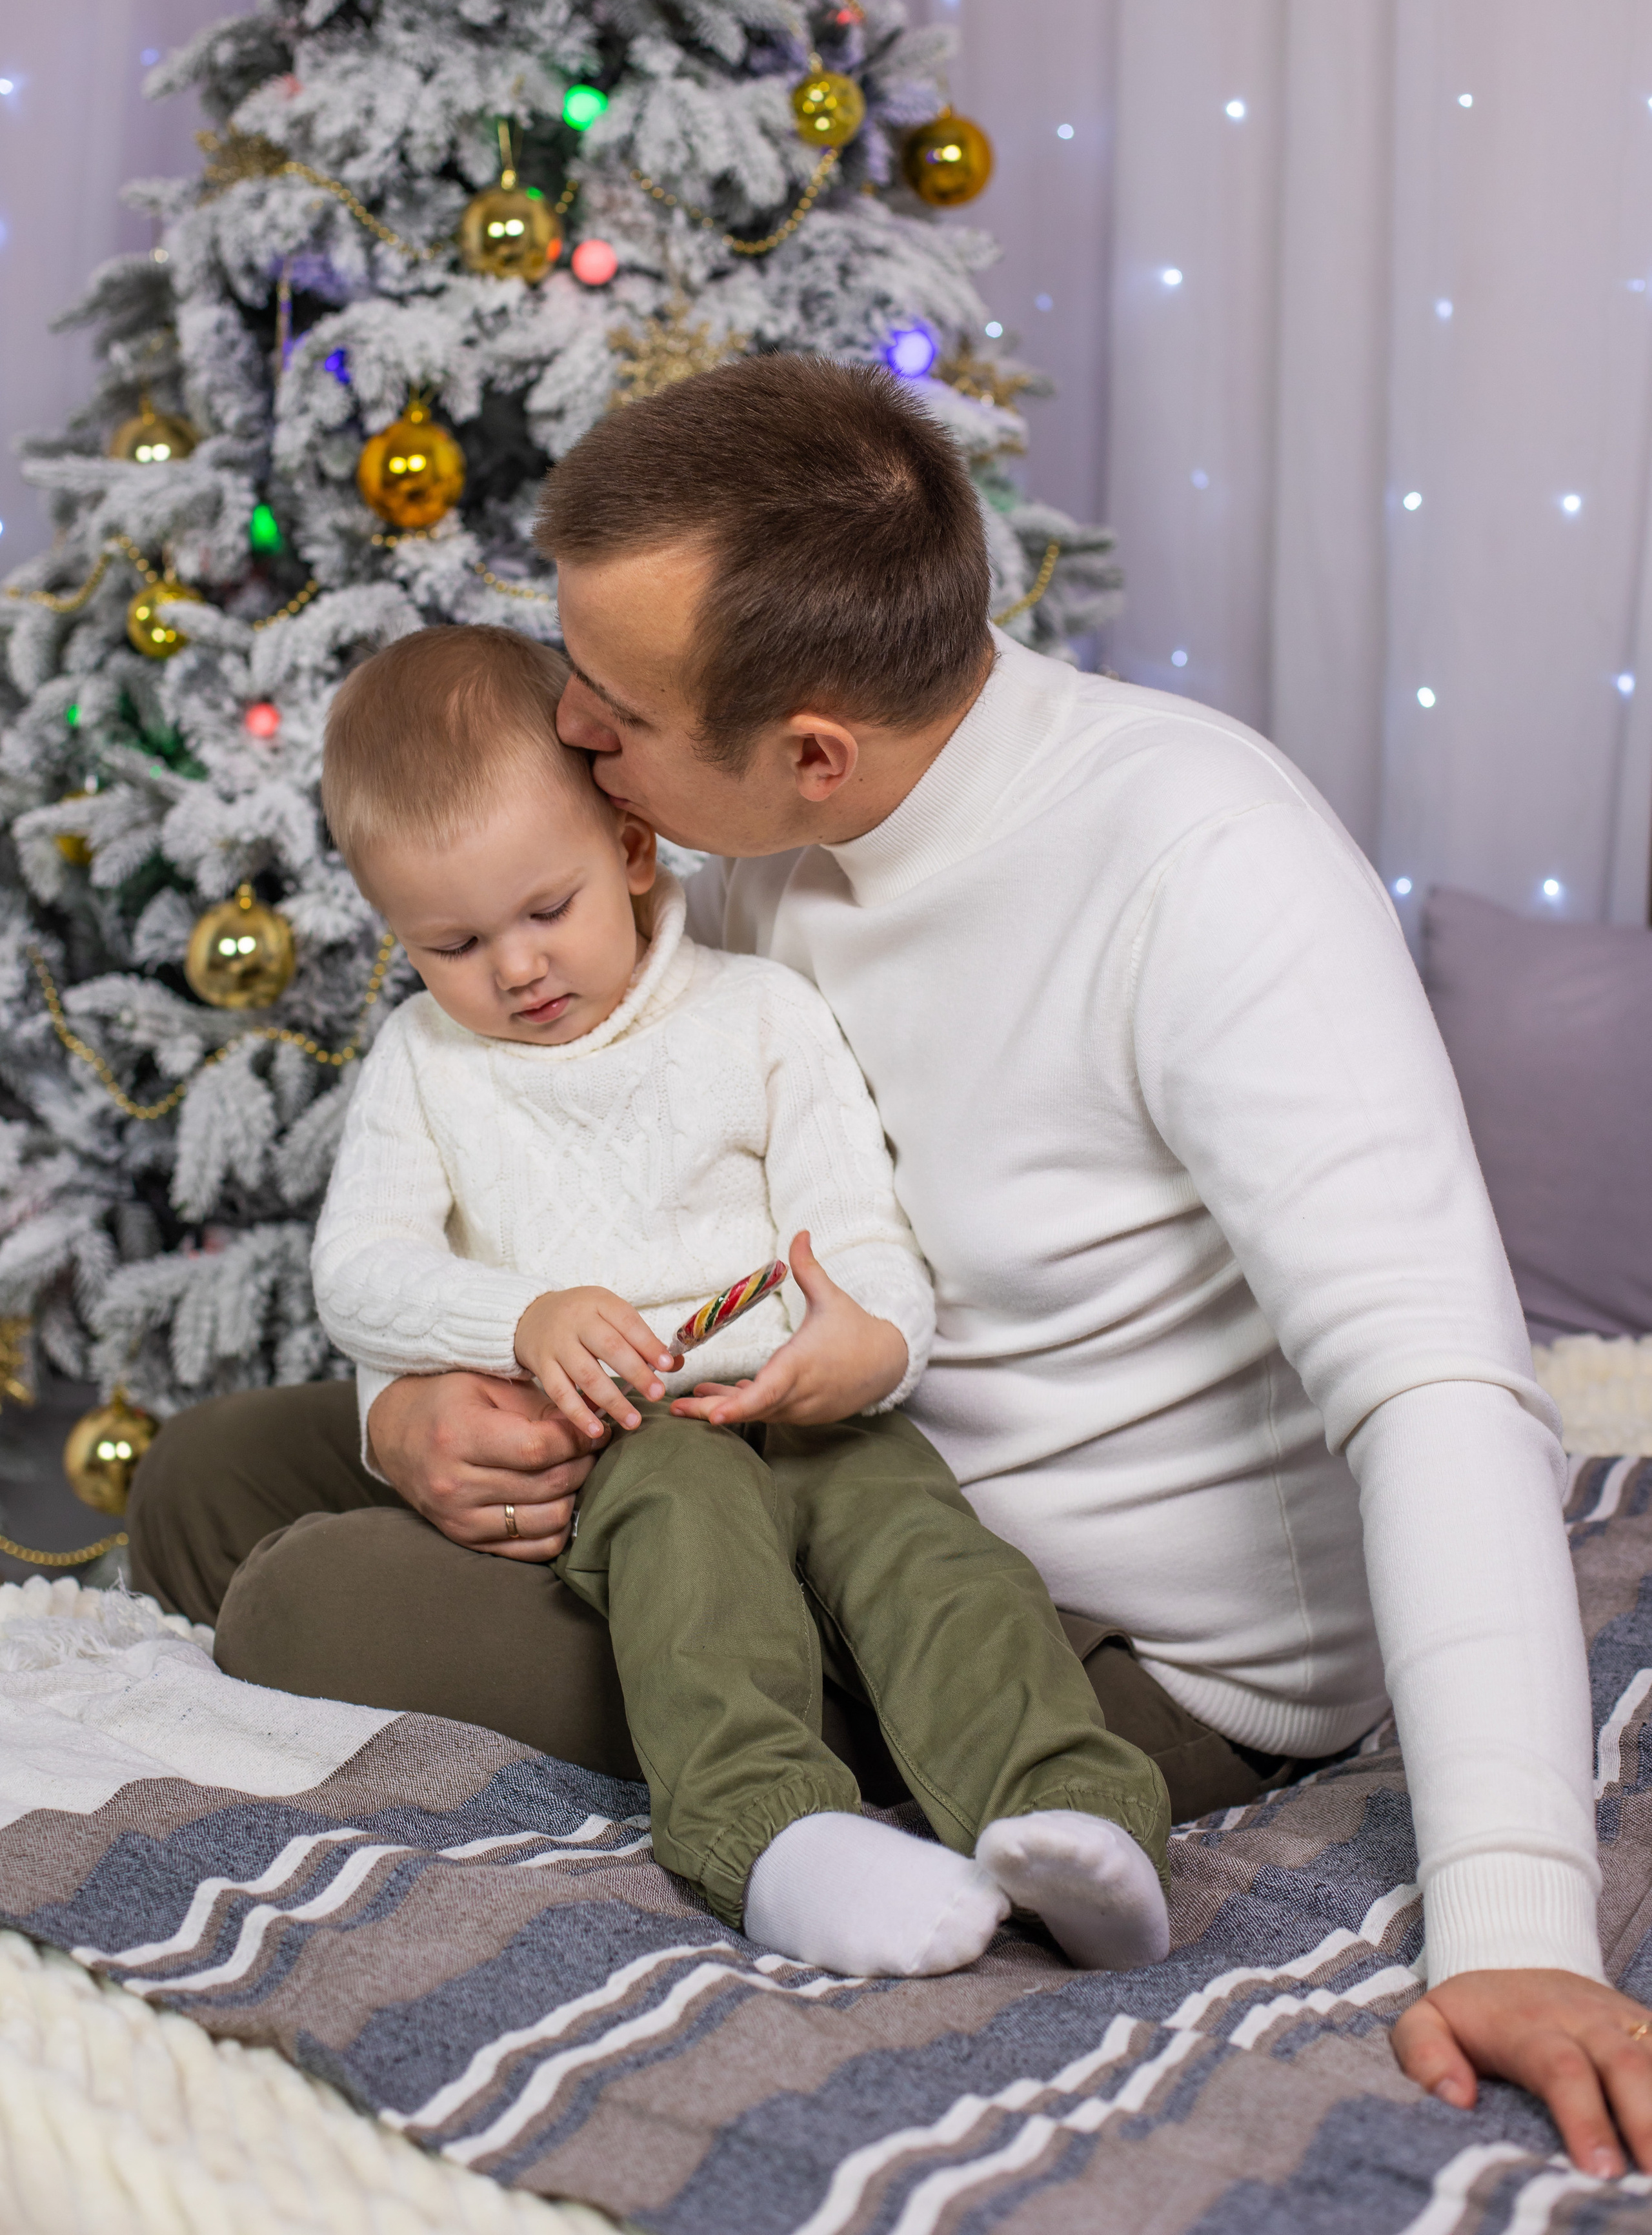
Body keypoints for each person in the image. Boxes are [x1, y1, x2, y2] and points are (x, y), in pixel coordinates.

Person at [129, 357, 1649, 2176]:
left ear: (812, 750)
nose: (570, 735)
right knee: (209, 1478)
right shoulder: (737, 839)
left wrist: (1516, 1923)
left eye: (612, 709)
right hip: (730, 1444)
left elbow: (1439, 1385)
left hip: (1073, 1629)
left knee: (300, 1600)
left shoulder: (1204, 864)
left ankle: (844, 1799)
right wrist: (411, 1417)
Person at [297, 622, 1174, 1979]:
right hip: (636, 1439)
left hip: (804, 1401)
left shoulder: (760, 1015)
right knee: (692, 1553)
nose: (516, 969)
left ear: (631, 851)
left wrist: (865, 1346)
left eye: (546, 911)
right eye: (454, 943)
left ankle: (1068, 1810)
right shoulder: (425, 1062)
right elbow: (358, 1271)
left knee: (930, 1554)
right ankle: (772, 1834)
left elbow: (859, 1238)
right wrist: (521, 1317)